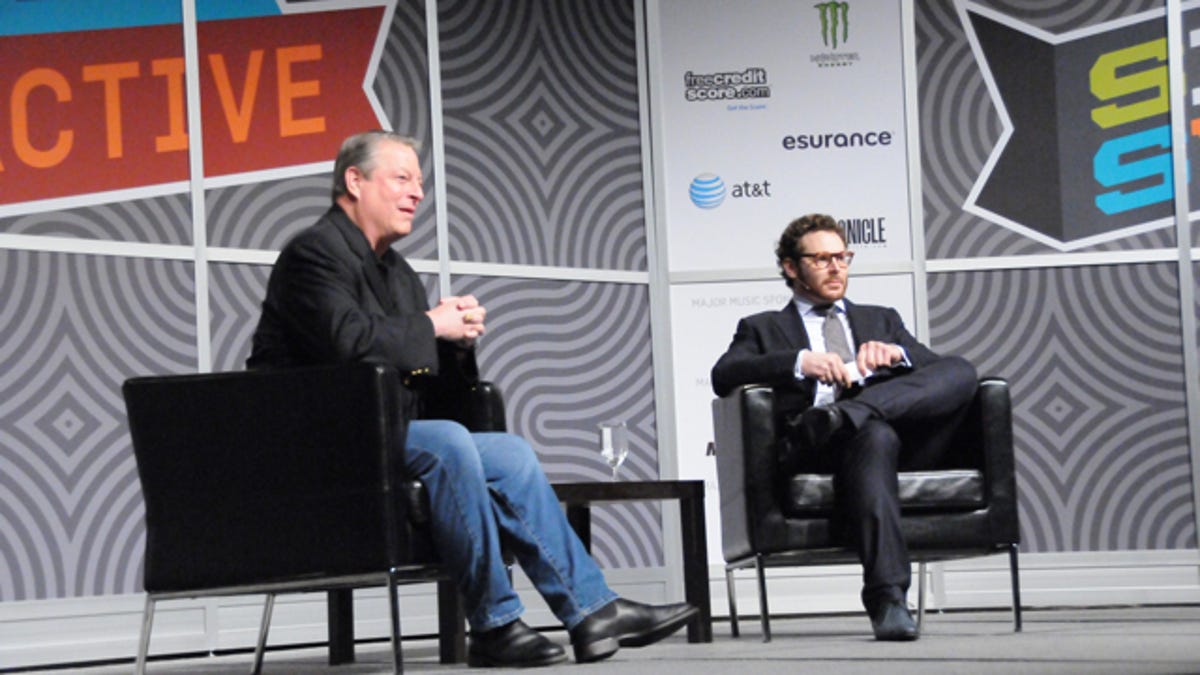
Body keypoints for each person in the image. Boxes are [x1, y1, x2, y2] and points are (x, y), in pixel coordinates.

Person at [247, 130, 696, 667]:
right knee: (449, 443)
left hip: (383, 431)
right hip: (318, 441)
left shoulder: (398, 274)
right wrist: (431, 325)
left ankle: (592, 610)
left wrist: (454, 345)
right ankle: (493, 623)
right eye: (402, 178)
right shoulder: (313, 254)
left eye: (419, 181)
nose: (417, 192)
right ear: (355, 181)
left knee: (508, 453)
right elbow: (348, 345)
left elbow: (421, 376)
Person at [710, 214, 978, 641]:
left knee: (960, 370)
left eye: (842, 257)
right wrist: (799, 361)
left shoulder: (882, 319)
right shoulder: (762, 327)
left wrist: (898, 355)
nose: (836, 268)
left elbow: (938, 372)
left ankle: (850, 413)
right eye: (821, 259)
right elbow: (724, 374)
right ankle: (889, 600)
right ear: (791, 267)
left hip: (893, 435)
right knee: (873, 436)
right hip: (818, 445)